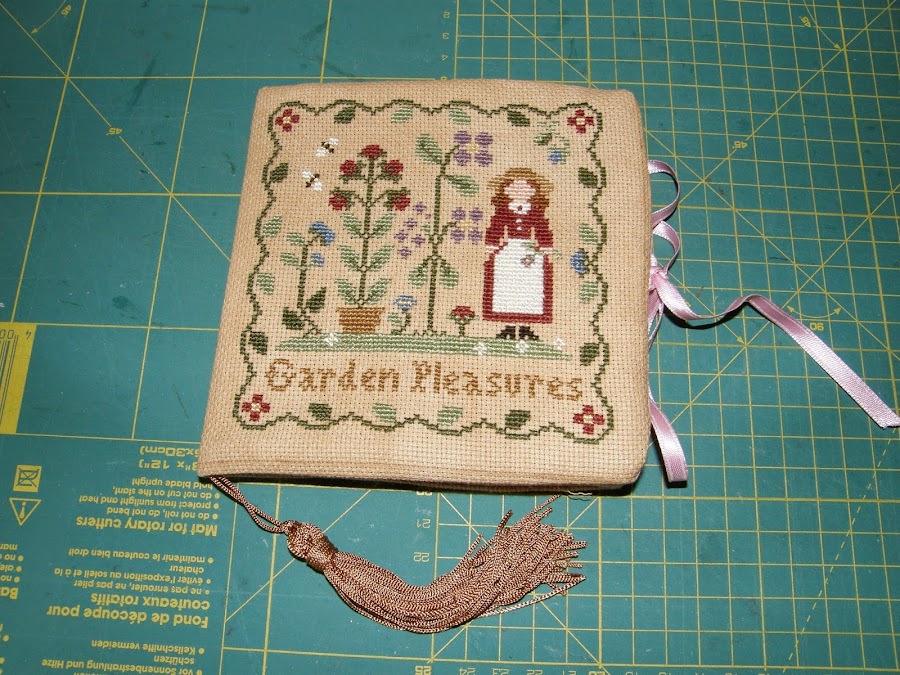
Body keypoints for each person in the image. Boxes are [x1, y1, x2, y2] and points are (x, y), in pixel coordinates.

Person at [482, 168, 553, 340]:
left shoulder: (535, 211)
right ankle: (509, 325)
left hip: (529, 250)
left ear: (534, 191)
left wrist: (545, 246)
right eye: (513, 186)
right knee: (505, 284)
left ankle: (525, 326)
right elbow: (495, 227)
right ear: (505, 190)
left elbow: (542, 229)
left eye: (526, 187)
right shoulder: (503, 211)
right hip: (509, 251)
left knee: (530, 285)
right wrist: (492, 244)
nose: (520, 191)